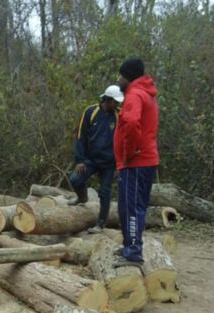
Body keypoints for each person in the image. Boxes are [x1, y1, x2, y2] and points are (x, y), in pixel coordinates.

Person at [113, 58, 159, 268]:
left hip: (136, 162)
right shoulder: (145, 95)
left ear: (128, 76)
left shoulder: (134, 95)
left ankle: (132, 253)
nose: (118, 78)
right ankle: (129, 245)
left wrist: (128, 153)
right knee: (131, 207)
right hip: (142, 161)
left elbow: (131, 123)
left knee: (131, 208)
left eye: (120, 75)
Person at [68, 85, 124, 234]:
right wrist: (79, 160)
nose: (117, 105)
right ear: (107, 99)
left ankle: (101, 223)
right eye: (115, 102)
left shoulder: (119, 116)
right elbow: (80, 136)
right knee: (75, 180)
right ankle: (82, 197)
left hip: (109, 162)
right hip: (91, 159)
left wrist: (120, 164)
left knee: (105, 192)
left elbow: (122, 142)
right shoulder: (90, 112)